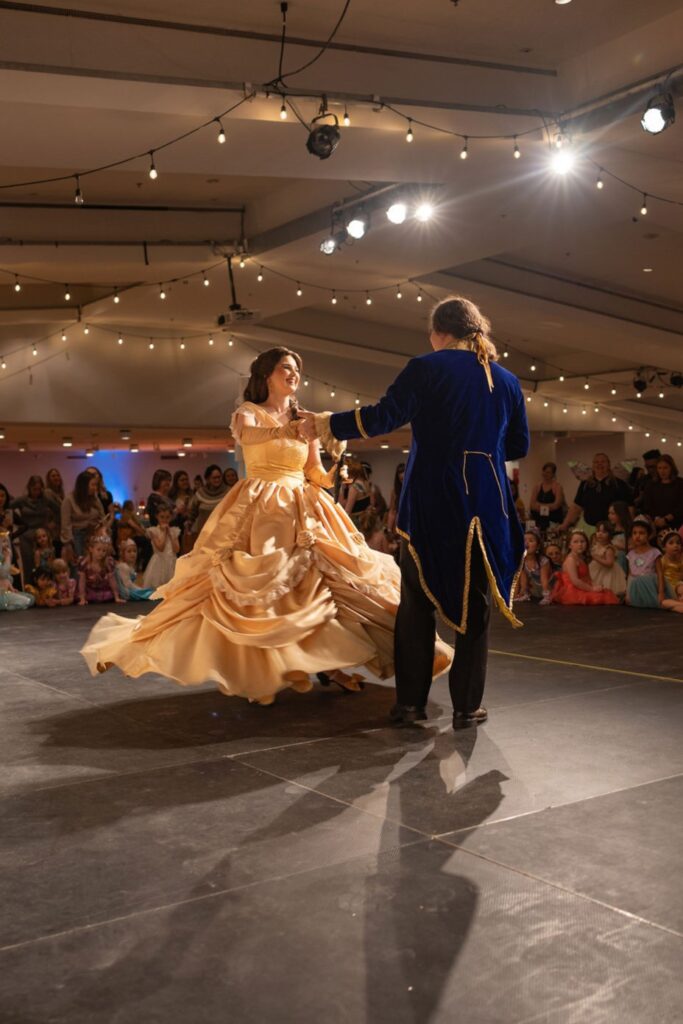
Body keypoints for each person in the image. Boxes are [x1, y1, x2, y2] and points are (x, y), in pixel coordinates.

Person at [80, 348, 451, 704]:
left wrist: (337, 469)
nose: (294, 375)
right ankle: (265, 670)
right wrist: (290, 431)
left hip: (305, 506)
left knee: (325, 586)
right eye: (286, 369)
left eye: (297, 370)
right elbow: (250, 437)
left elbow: (314, 475)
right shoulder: (249, 412)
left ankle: (327, 663)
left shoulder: (302, 419)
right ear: (267, 376)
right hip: (262, 507)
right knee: (267, 589)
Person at [300, 295, 529, 729]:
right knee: (475, 608)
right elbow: (518, 446)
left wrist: (329, 423)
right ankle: (467, 706)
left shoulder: (427, 367)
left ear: (438, 333)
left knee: (416, 605)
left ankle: (410, 704)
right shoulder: (508, 381)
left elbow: (385, 416)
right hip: (488, 503)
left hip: (433, 500)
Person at [559, 453, 632, 537]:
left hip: (612, 529)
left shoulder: (619, 484)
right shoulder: (585, 484)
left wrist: (630, 526)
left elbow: (629, 507)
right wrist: (565, 524)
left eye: (603, 461)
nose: (599, 464)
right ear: (593, 466)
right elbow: (576, 507)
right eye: (596, 462)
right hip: (589, 528)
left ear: (609, 464)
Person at [551, 531, 619, 606]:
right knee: (598, 598)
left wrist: (595, 586)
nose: (580, 544)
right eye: (576, 542)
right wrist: (592, 589)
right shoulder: (571, 559)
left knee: (604, 593)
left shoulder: (581, 558)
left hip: (584, 586)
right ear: (570, 545)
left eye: (582, 541)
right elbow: (575, 581)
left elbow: (588, 577)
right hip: (574, 589)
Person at [11, 475, 60, 575]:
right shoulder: (22, 500)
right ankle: (29, 589)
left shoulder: (45, 499)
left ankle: (47, 588)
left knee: (46, 564)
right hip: (27, 536)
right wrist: (17, 522)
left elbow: (58, 510)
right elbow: (7, 506)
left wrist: (53, 522)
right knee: (28, 565)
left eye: (39, 489)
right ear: (29, 488)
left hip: (43, 535)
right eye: (34, 489)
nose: (37, 492)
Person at [61, 470, 107, 564]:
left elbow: (102, 515)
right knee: (80, 566)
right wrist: (69, 544)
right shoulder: (69, 500)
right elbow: (66, 525)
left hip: (93, 535)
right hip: (77, 537)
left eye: (96, 485)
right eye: (92, 485)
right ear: (83, 486)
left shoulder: (94, 499)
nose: (95, 488)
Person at [78, 535, 125, 607]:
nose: (101, 553)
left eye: (104, 551)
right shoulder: (84, 563)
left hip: (104, 591)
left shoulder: (108, 563)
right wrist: (82, 598)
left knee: (108, 595)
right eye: (98, 550)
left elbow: (112, 580)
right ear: (91, 549)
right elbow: (82, 582)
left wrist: (116, 597)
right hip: (90, 591)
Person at [640, 455, 683, 531]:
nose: (662, 471)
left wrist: (667, 519)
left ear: (671, 468)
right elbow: (647, 505)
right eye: (659, 468)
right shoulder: (651, 485)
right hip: (656, 523)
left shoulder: (680, 483)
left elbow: (681, 506)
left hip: (677, 523)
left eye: (665, 468)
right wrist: (656, 518)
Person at [625, 519, 661, 608]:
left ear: (648, 535)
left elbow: (660, 573)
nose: (637, 536)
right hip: (635, 589)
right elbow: (630, 575)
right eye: (634, 533)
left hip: (649, 587)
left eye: (641, 533)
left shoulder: (654, 552)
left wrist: (661, 592)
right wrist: (628, 593)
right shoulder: (631, 554)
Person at [187, 465, 229, 540]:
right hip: (204, 534)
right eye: (214, 478)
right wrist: (189, 526)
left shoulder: (229, 492)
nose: (217, 480)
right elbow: (192, 513)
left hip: (222, 534)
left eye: (219, 477)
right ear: (207, 479)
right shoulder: (200, 493)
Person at [142, 506, 180, 590]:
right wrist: (165, 533)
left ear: (171, 518)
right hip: (159, 561)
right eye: (162, 517)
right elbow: (160, 548)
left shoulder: (174, 531)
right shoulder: (153, 531)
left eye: (167, 517)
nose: (165, 520)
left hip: (171, 561)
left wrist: (170, 535)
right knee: (157, 588)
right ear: (157, 517)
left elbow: (177, 549)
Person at [589, 521, 626, 598]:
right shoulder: (596, 546)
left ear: (609, 534)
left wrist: (596, 558)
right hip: (596, 570)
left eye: (604, 532)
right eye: (598, 531)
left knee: (606, 590)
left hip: (607, 573)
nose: (600, 534)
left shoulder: (609, 548)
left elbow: (609, 563)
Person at [515, 529, 552, 603]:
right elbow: (522, 579)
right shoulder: (521, 560)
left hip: (546, 586)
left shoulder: (543, 561)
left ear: (538, 546)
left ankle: (547, 596)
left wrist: (546, 594)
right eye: (524, 540)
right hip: (534, 589)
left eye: (531, 541)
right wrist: (521, 592)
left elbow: (544, 579)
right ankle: (525, 594)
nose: (527, 543)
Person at [0, 531, 34, 610]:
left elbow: (6, 579)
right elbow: (3, 574)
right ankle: (6, 606)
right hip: (1, 593)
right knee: (27, 601)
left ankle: (8, 603)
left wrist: (11, 588)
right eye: (3, 541)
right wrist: (8, 557)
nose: (7, 544)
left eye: (7, 541)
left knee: (31, 598)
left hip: (5, 591)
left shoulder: (3, 558)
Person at [529, 462, 565, 533]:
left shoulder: (557, 487)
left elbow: (556, 505)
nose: (545, 474)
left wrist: (539, 506)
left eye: (548, 472)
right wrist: (548, 507)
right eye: (544, 472)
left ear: (553, 474)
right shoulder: (537, 487)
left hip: (553, 521)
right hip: (539, 521)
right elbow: (532, 505)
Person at [343, 457, 373, 529]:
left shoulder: (354, 487)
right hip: (366, 519)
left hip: (357, 521)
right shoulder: (365, 483)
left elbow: (347, 510)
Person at [658, 531, 683, 604]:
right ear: (664, 548)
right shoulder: (663, 561)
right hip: (669, 587)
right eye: (671, 543)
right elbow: (659, 578)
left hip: (679, 585)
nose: (676, 545)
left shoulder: (681, 559)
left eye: (678, 543)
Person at [607, 502, 631, 573]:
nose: (609, 516)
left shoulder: (628, 531)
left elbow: (634, 546)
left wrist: (621, 547)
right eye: (609, 513)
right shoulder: (609, 530)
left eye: (613, 514)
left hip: (622, 560)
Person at [387, 462, 405, 534]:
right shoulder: (395, 491)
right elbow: (392, 511)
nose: (403, 482)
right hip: (398, 526)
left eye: (405, 479)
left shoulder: (413, 491)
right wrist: (389, 529)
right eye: (401, 480)